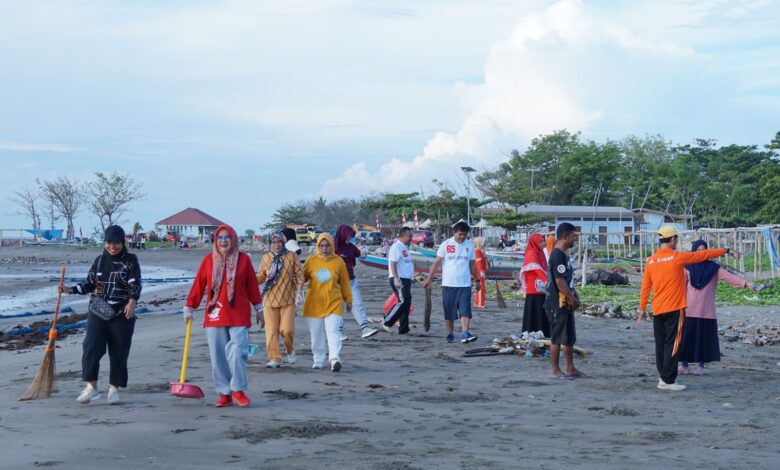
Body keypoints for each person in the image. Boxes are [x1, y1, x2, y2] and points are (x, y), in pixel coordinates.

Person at [638, 226, 739, 391]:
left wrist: (642, 308)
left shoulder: (651, 260)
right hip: (674, 309)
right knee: (673, 345)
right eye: (676, 239)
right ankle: (668, 381)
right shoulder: (677, 257)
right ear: (673, 239)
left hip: (657, 309)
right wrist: (726, 250)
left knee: (661, 345)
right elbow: (703, 255)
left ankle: (663, 377)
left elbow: (646, 286)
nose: (677, 242)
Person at [61, 225, 141, 405]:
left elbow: (135, 284)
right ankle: (91, 388)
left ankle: (114, 389)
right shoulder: (99, 261)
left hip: (122, 311)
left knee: (119, 350)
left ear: (123, 242)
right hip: (98, 308)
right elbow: (89, 284)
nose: (112, 247)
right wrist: (69, 290)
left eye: (116, 243)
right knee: (91, 347)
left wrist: (131, 302)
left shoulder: (131, 260)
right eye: (108, 243)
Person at [183, 224, 262, 407]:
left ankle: (238, 390)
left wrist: (259, 308)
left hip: (239, 314)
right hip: (215, 314)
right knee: (218, 356)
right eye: (220, 237)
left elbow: (252, 286)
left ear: (234, 239)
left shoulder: (244, 260)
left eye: (227, 237)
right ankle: (224, 393)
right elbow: (199, 284)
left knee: (237, 351)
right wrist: (189, 306)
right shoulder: (208, 260)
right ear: (215, 240)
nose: (224, 241)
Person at [679, 240, 753, 375]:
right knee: (686, 339)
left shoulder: (714, 268)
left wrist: (746, 283)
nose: (701, 253)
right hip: (689, 309)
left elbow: (730, 277)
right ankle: (684, 365)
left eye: (704, 250)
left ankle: (700, 366)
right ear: (694, 251)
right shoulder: (687, 267)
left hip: (706, 310)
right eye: (698, 250)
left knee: (703, 339)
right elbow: (680, 286)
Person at [422, 221, 480, 344]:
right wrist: (429, 279)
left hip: (464, 284)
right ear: (454, 233)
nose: (462, 237)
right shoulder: (446, 244)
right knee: (449, 312)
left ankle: (465, 333)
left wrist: (477, 280)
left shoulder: (469, 245)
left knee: (465, 310)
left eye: (465, 235)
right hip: (448, 284)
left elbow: (472, 265)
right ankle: (450, 334)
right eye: (460, 234)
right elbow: (437, 263)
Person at [302, 233, 353, 372]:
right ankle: (318, 359)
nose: (324, 249)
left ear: (332, 246)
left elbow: (345, 283)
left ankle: (334, 359)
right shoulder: (311, 260)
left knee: (333, 331)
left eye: (327, 246)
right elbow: (302, 279)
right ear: (318, 246)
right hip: (314, 303)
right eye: (322, 246)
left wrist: (348, 300)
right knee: (316, 334)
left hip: (333, 302)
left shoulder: (338, 261)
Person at [256, 231, 304, 368]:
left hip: (288, 300)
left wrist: (299, 293)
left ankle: (290, 349)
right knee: (271, 332)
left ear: (283, 242)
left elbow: (300, 276)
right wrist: (248, 279)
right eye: (273, 242)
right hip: (269, 301)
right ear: (270, 244)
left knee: (286, 330)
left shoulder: (292, 256)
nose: (276, 245)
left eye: (279, 242)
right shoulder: (266, 257)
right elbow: (261, 277)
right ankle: (274, 358)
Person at [545, 223, 584, 379]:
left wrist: (574, 296)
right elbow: (560, 282)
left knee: (568, 337)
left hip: (565, 302)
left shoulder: (563, 255)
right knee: (557, 337)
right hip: (557, 303)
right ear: (566, 236)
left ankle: (570, 368)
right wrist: (572, 298)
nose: (574, 239)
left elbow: (567, 281)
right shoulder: (557, 256)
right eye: (573, 236)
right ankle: (555, 370)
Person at [334, 224, 379, 340]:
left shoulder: (351, 247)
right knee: (338, 306)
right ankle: (338, 332)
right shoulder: (332, 247)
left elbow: (360, 254)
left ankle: (365, 328)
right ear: (343, 234)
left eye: (351, 236)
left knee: (357, 303)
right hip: (336, 282)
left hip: (351, 280)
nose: (350, 238)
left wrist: (364, 253)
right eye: (348, 235)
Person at [383, 227, 415, 334]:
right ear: (402, 236)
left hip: (406, 279)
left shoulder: (404, 247)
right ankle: (387, 321)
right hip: (399, 278)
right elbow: (393, 263)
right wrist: (396, 279)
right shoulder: (396, 247)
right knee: (403, 301)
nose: (411, 238)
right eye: (409, 236)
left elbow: (406, 263)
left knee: (407, 303)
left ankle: (403, 328)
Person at [521, 233, 550, 337]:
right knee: (534, 310)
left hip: (541, 288)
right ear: (535, 242)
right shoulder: (531, 253)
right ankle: (530, 332)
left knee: (541, 311)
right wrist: (547, 281)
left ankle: (543, 332)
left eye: (543, 241)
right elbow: (537, 269)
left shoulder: (540, 252)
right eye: (541, 241)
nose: (543, 243)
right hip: (533, 288)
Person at [473, 237, 488, 309]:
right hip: (479, 272)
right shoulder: (477, 251)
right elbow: (478, 262)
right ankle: (480, 303)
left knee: (479, 287)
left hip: (480, 271)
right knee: (481, 287)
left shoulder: (480, 251)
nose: (484, 244)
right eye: (483, 243)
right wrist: (482, 271)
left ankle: (477, 302)